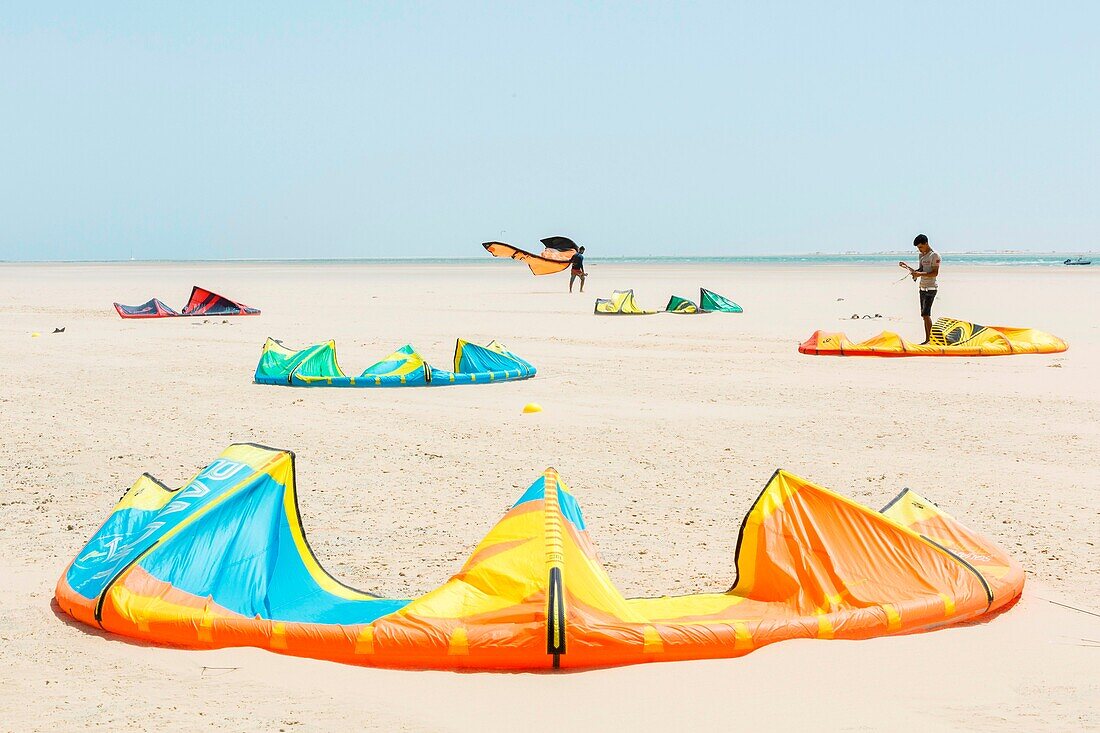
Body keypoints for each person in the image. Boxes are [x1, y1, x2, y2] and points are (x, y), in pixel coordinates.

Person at [897, 234, 940, 344]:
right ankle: (927, 339)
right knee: (923, 316)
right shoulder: (921, 256)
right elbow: (920, 270)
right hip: (922, 287)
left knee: (926, 314)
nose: (919, 250)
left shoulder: (934, 255)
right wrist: (907, 267)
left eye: (921, 247)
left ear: (926, 243)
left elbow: (935, 273)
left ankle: (930, 341)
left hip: (931, 288)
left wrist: (919, 274)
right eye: (918, 248)